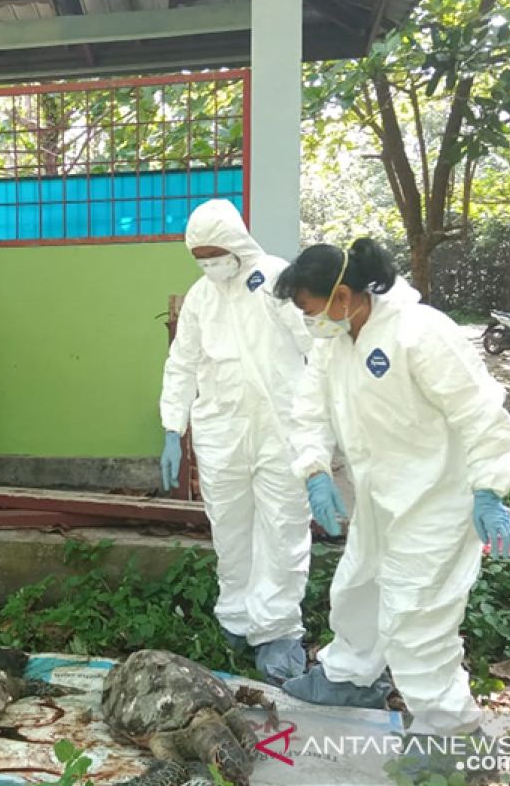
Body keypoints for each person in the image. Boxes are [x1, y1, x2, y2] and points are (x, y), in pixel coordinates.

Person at [274, 239, 510, 739]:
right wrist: (315, 469)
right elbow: (309, 411)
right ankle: (350, 678)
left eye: (309, 310)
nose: (309, 322)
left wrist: (489, 488)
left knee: (417, 618)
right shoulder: (336, 340)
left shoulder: (421, 332)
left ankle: (450, 731)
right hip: (378, 495)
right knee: (358, 587)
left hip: (436, 500)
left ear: (341, 296)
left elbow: (478, 412)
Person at [159, 199, 315, 683]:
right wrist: (171, 427)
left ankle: (277, 630)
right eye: (199, 257)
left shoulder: (276, 279)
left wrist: (326, 422)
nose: (209, 264)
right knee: (229, 527)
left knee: (282, 527)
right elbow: (182, 363)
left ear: (236, 244)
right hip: (222, 431)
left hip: (281, 428)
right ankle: (237, 617)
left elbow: (317, 346)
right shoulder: (202, 297)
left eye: (214, 253)